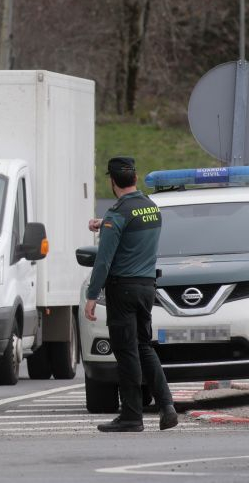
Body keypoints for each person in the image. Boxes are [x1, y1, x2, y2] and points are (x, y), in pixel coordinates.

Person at [84, 156, 178, 432]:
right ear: (135, 178)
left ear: (112, 182)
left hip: (122, 290)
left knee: (126, 353)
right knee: (143, 347)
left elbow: (103, 260)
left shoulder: (118, 214)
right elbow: (132, 225)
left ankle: (131, 416)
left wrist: (92, 296)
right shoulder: (151, 208)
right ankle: (167, 405)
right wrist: (105, 223)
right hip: (146, 288)